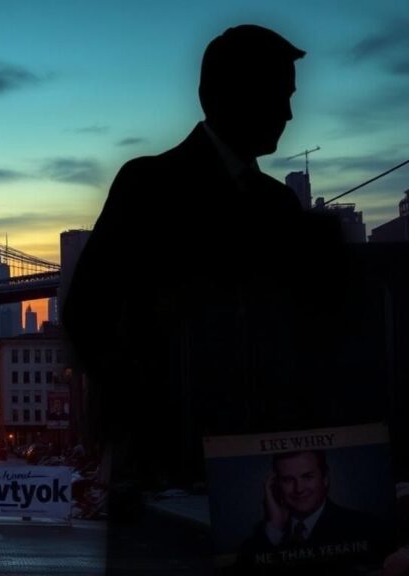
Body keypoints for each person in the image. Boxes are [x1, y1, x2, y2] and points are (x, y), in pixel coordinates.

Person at [62, 23, 382, 572]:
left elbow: (307, 337)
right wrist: (149, 424)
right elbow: (86, 315)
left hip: (257, 474)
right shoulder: (148, 185)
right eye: (279, 94)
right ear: (231, 94)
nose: (289, 113)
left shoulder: (278, 206)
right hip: (168, 488)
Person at [236, 451, 389, 573]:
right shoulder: (267, 534)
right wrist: (275, 526)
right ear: (276, 485)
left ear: (325, 478)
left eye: (307, 477)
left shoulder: (366, 527)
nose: (299, 489)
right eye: (288, 480)